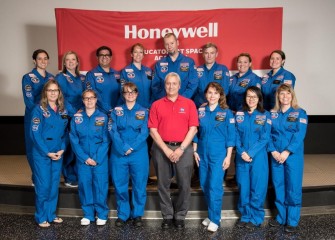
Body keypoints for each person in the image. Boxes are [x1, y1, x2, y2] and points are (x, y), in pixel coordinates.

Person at [148, 72, 198, 229]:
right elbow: (152, 130)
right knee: (163, 184)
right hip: (161, 148)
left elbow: (193, 129)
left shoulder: (189, 103)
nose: (171, 86)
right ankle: (167, 215)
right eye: (168, 83)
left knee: (184, 184)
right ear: (164, 85)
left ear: (179, 85)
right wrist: (166, 150)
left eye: (174, 83)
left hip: (183, 148)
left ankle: (180, 215)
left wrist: (181, 149)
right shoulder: (156, 104)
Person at [193, 82, 235, 232]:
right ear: (206, 94)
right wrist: (195, 150)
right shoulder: (201, 111)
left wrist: (228, 156)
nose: (212, 95)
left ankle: (215, 219)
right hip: (202, 153)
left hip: (218, 154)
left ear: (220, 95)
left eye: (215, 93)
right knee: (204, 184)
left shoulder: (226, 112)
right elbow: (196, 132)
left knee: (215, 186)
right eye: (210, 92)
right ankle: (212, 215)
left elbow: (231, 136)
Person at [268, 84, 307, 233]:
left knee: (293, 187)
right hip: (276, 155)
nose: (285, 97)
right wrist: (273, 151)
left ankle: (292, 220)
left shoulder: (300, 113)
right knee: (279, 186)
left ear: (292, 96)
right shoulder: (272, 114)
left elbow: (299, 135)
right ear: (278, 96)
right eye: (282, 94)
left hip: (292, 156)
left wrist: (286, 152)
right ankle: (281, 217)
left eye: (288, 94)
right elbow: (268, 134)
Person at [109, 82, 149, 227]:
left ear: (137, 94)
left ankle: (137, 214)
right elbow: (113, 130)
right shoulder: (116, 111)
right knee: (120, 185)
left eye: (133, 92)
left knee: (139, 185)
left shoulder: (144, 111)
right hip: (119, 153)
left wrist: (131, 147)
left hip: (138, 153)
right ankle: (123, 214)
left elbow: (145, 132)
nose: (130, 94)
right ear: (123, 95)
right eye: (127, 92)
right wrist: (123, 147)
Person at [30, 79, 68, 227]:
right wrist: (46, 152)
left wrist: (63, 148)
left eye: (55, 90)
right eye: (50, 90)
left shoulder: (63, 110)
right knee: (44, 185)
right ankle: (41, 216)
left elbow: (65, 133)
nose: (53, 93)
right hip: (42, 154)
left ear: (59, 93)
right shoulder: (38, 109)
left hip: (58, 152)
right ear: (45, 92)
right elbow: (35, 134)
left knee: (53, 185)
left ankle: (51, 215)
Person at [69, 89, 110, 226]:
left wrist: (97, 158)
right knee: (85, 185)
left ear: (96, 99)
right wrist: (85, 158)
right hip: (83, 159)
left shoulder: (103, 117)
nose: (89, 100)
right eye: (86, 98)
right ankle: (88, 214)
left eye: (92, 98)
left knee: (100, 185)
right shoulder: (76, 118)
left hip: (100, 159)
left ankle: (102, 213)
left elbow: (106, 140)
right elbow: (74, 140)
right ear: (82, 100)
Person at [234, 86, 271, 231]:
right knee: (244, 187)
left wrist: (250, 153)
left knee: (257, 188)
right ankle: (245, 216)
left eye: (254, 97)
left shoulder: (265, 115)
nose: (251, 99)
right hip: (241, 157)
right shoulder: (239, 114)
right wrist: (242, 152)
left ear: (259, 99)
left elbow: (265, 138)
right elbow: (235, 135)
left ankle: (256, 217)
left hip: (258, 157)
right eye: (249, 96)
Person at [22, 49, 54, 185]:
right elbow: (29, 101)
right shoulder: (28, 77)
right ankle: (36, 176)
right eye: (40, 58)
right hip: (34, 117)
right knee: (33, 146)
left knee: (48, 145)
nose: (43, 61)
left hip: (50, 119)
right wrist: (41, 112)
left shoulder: (52, 77)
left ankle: (48, 175)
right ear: (34, 61)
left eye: (45, 58)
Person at [56, 51, 86, 188]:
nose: (71, 62)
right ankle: (68, 176)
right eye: (67, 60)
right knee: (68, 147)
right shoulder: (61, 77)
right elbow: (61, 98)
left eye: (73, 59)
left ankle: (77, 174)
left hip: (81, 118)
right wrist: (75, 113)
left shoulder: (82, 78)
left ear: (77, 62)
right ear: (64, 63)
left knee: (78, 147)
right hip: (68, 117)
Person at [151, 33, 198, 101]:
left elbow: (193, 84)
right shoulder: (159, 64)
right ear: (164, 46)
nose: (169, 46)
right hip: (165, 103)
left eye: (172, 43)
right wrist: (166, 100)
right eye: (167, 44)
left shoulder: (189, 62)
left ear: (177, 43)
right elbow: (155, 86)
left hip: (184, 102)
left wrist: (181, 99)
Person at [85, 46, 121, 115]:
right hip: (99, 113)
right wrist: (108, 109)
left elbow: (122, 93)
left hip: (116, 112)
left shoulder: (117, 74)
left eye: (107, 55)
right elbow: (91, 95)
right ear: (97, 57)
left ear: (111, 58)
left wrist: (117, 108)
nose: (104, 57)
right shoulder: (91, 74)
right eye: (101, 55)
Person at [193, 43, 230, 107]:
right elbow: (194, 91)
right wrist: (201, 103)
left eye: (212, 53)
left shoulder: (223, 69)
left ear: (216, 54)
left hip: (218, 106)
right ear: (203, 54)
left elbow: (225, 90)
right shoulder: (197, 70)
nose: (209, 56)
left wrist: (214, 103)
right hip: (201, 105)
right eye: (206, 53)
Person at [120, 43, 153, 109]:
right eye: (135, 52)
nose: (138, 54)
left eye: (140, 52)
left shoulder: (149, 71)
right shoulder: (125, 71)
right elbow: (122, 91)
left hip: (149, 108)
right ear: (131, 54)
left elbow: (153, 89)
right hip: (133, 109)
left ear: (143, 55)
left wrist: (151, 104)